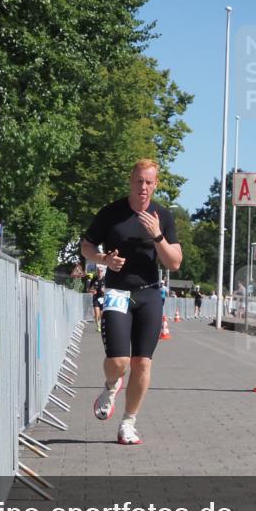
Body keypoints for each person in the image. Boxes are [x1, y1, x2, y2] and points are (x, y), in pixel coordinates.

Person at [80, 159, 181, 445]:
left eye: (149, 182)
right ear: (130, 180)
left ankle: (128, 423)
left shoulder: (163, 216)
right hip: (116, 292)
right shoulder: (111, 213)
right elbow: (86, 246)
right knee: (119, 361)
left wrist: (157, 236)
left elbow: (174, 263)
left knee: (142, 363)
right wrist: (103, 260)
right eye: (139, 181)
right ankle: (111, 385)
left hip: (149, 293)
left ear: (156, 184)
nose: (143, 187)